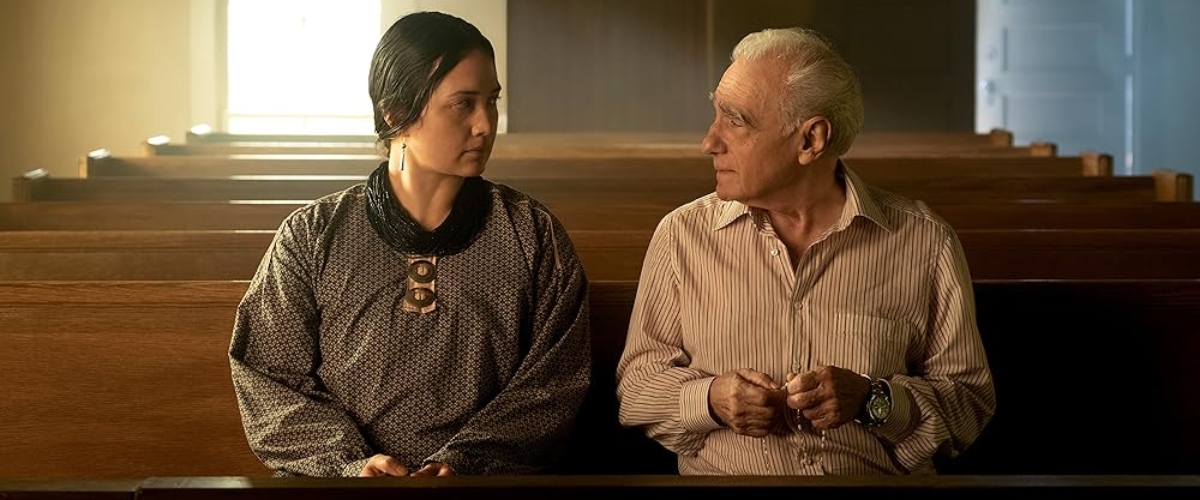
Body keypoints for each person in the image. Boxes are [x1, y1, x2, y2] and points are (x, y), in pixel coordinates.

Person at [615, 27, 995, 475]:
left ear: (810, 140)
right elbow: (636, 392)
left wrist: (873, 401)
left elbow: (968, 408)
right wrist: (712, 399)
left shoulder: (925, 241)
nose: (709, 142)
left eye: (735, 121)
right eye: (716, 115)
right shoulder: (682, 236)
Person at [229, 11, 590, 478]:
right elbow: (267, 374)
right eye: (463, 104)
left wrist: (462, 464)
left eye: (492, 101)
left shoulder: (531, 233)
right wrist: (353, 466)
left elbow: (554, 382)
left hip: (483, 490)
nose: (486, 124)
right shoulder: (312, 234)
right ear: (395, 111)